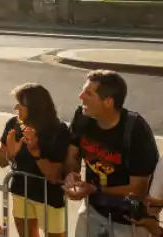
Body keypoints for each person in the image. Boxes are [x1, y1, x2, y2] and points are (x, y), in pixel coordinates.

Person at [65, 70, 159, 237]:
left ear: (108, 102)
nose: (80, 97)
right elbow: (73, 155)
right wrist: (71, 175)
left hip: (129, 219)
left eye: (88, 93)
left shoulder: (136, 129)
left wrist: (94, 189)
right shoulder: (82, 117)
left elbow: (138, 188)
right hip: (93, 209)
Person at [0, 83, 70, 237]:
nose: (16, 108)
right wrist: (10, 154)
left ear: (35, 107)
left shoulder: (58, 130)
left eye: (20, 104)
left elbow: (54, 176)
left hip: (50, 196)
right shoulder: (13, 124)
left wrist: (35, 152)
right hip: (21, 190)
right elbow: (1, 161)